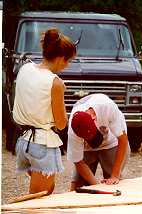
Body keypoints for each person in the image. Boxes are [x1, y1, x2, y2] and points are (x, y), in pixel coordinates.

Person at [13, 28, 76, 195]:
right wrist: (60, 93)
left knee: (45, 192)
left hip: (23, 141)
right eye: (68, 61)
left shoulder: (25, 69)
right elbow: (62, 124)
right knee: (38, 199)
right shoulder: (55, 82)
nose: (67, 65)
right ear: (61, 58)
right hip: (42, 144)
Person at [67, 93, 130, 190]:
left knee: (114, 183)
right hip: (86, 150)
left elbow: (123, 140)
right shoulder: (73, 129)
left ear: (94, 118)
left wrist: (115, 175)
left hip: (112, 142)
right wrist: (96, 186)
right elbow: (78, 161)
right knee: (78, 187)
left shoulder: (107, 107)